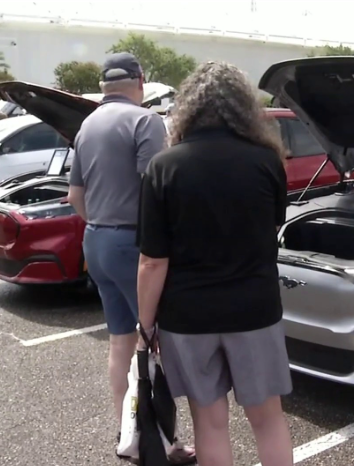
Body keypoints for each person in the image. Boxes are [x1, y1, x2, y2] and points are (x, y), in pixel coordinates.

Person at [135, 61, 294, 466]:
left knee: (210, 423)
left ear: (188, 107)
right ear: (243, 107)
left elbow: (152, 261)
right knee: (268, 420)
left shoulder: (164, 167)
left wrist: (146, 324)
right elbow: (272, 226)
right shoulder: (266, 161)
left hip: (187, 316)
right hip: (254, 309)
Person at [67, 52, 196, 465]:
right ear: (140, 80)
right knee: (156, 343)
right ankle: (161, 443)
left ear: (105, 84)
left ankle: (126, 435)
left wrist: (102, 226)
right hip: (133, 246)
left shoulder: (87, 125)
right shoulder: (145, 121)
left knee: (121, 341)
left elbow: (75, 197)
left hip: (96, 240)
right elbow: (155, 190)